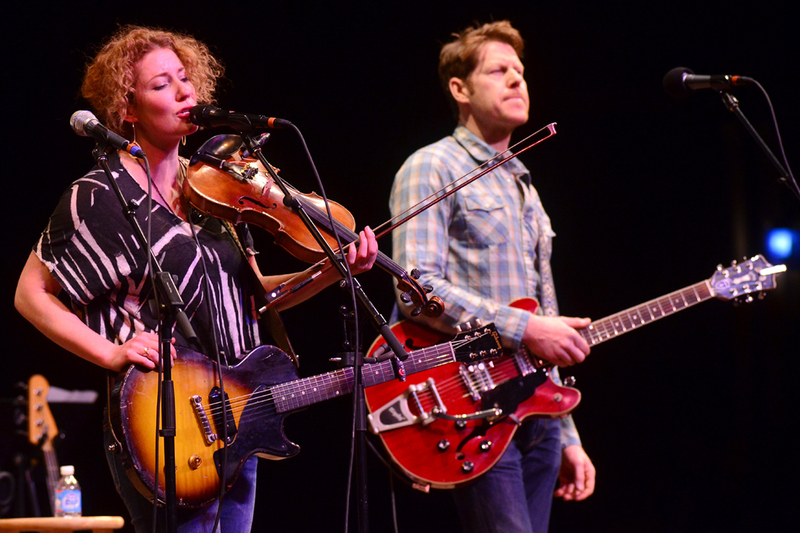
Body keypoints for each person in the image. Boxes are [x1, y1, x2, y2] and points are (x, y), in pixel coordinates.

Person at [14, 25, 378, 533]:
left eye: (185, 79)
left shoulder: (216, 189)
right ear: (127, 108)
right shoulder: (99, 195)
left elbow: (259, 298)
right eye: (162, 84)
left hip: (237, 409)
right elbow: (31, 294)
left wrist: (331, 269)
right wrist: (110, 352)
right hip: (161, 419)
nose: (185, 92)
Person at [390, 21, 595, 532]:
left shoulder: (525, 184)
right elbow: (415, 286)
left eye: (520, 71)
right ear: (460, 89)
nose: (516, 81)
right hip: (471, 406)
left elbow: (545, 317)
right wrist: (523, 328)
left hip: (537, 413)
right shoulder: (431, 166)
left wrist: (567, 432)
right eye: (499, 70)